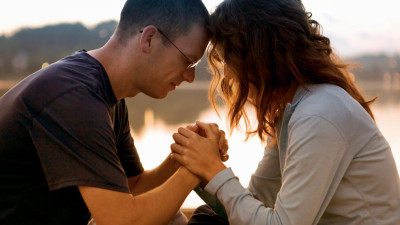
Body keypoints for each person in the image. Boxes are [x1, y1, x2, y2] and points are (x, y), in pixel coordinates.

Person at [170, 0, 400, 224]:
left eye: (226, 60)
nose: (227, 75)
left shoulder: (319, 115)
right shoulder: (294, 111)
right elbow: (255, 201)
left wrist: (213, 169)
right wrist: (200, 166)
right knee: (208, 216)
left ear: (256, 56)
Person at [0, 0, 230, 225]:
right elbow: (120, 220)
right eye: (187, 61)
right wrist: (195, 168)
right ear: (149, 39)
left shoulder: (106, 95)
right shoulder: (75, 98)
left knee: (171, 217)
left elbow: (134, 186)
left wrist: (183, 156)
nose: (189, 77)